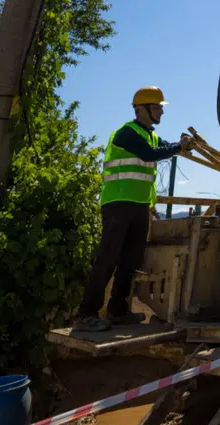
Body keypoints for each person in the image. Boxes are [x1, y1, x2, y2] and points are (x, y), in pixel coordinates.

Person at [74, 86, 193, 333]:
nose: (161, 111)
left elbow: (163, 147)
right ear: (143, 109)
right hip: (118, 202)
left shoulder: (148, 134)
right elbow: (150, 154)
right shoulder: (127, 134)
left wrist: (182, 145)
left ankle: (118, 310)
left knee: (131, 260)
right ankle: (86, 313)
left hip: (139, 205)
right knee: (108, 258)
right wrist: (178, 147)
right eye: (158, 106)